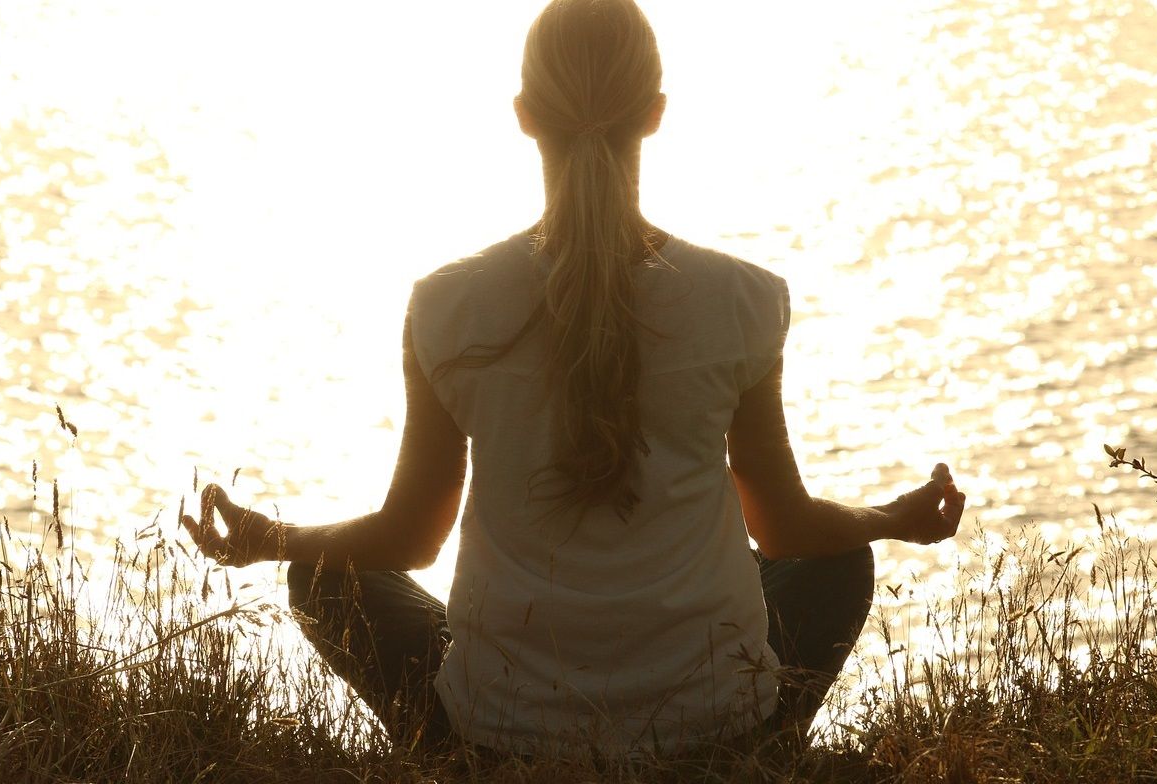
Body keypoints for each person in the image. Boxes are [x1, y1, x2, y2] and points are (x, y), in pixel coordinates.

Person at [180, 0, 965, 759]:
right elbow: (785, 529)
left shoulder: (446, 305)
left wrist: (268, 540)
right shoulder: (743, 299)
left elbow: (411, 537)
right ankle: (749, 749)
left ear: (524, 114)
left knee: (323, 575)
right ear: (656, 112)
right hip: (714, 722)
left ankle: (458, 757)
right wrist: (889, 518)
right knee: (839, 555)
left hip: (499, 731)